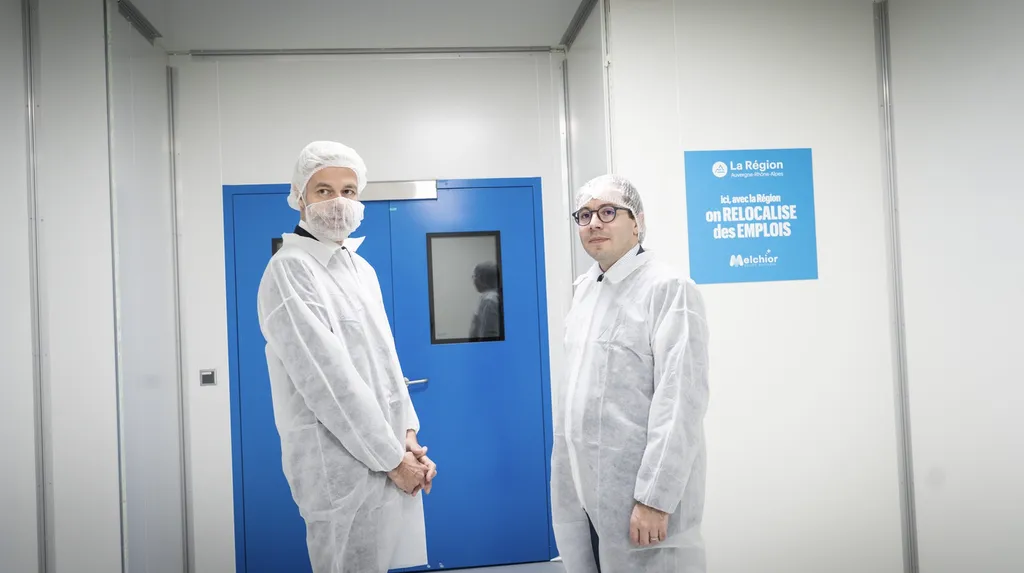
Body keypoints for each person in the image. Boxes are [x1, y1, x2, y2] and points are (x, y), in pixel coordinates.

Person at [257, 141, 437, 573]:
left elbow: (384, 363)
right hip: (338, 465)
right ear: (299, 196)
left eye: (350, 191)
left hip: (385, 451)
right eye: (324, 190)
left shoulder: (360, 268)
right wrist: (393, 460)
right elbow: (328, 381)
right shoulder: (291, 269)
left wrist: (407, 433)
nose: (339, 202)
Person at [551, 174, 711, 572]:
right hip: (586, 493)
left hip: (641, 497)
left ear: (637, 221)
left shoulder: (669, 289)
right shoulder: (586, 290)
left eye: (608, 211)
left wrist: (656, 497)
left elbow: (680, 402)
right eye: (584, 215)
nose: (594, 224)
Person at [469, 261, 502, 339]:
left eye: (474, 276)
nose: (473, 280)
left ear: (482, 278)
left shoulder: (489, 301)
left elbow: (488, 335)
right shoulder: (488, 298)